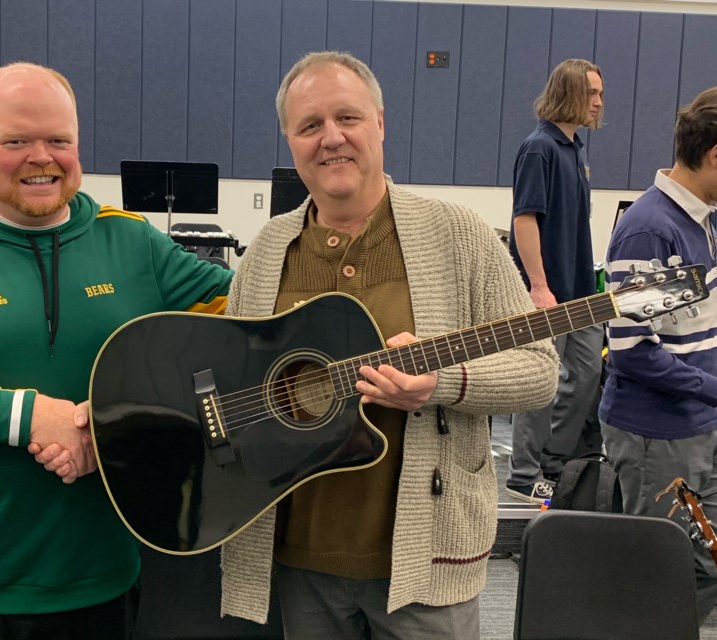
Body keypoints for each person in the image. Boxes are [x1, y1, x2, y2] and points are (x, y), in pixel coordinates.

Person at [0, 62, 232, 639]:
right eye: (16, 141)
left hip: (109, 580)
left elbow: (253, 318)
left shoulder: (131, 242)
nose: (41, 157)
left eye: (59, 140)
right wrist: (26, 414)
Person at [218, 51, 559, 639]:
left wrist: (443, 383)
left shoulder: (459, 235)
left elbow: (539, 369)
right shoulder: (269, 250)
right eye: (309, 126)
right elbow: (234, 382)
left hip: (427, 565)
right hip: (301, 562)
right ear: (290, 141)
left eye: (347, 118)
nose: (331, 139)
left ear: (379, 122)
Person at [599, 84, 717, 623]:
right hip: (656, 435)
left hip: (702, 426)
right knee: (660, 574)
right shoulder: (651, 229)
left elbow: (713, 323)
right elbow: (632, 351)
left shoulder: (700, 218)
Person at [504, 59, 606, 504]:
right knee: (540, 384)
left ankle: (554, 463)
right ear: (569, 93)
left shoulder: (575, 149)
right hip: (548, 291)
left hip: (582, 289)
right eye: (592, 93)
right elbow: (524, 219)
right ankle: (524, 473)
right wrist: (538, 286)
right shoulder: (538, 148)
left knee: (587, 373)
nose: (599, 102)